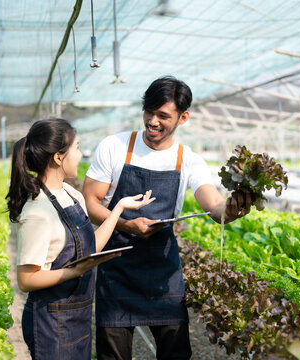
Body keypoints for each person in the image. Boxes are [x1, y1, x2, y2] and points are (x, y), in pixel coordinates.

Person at [82, 76, 251, 360]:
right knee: (112, 353)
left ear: (183, 117)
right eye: (149, 112)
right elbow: (90, 201)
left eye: (163, 115)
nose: (153, 121)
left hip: (163, 269)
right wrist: (125, 224)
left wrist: (231, 209)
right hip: (115, 266)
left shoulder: (188, 160)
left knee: (175, 351)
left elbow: (213, 206)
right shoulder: (115, 146)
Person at [6, 119, 155, 360]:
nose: (80, 154)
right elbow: (26, 279)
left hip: (78, 315)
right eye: (77, 147)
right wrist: (75, 272)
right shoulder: (38, 212)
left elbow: (89, 247)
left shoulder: (71, 194)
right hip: (50, 322)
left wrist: (118, 209)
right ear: (58, 157)